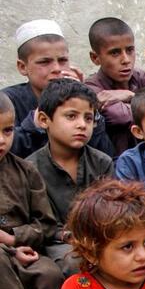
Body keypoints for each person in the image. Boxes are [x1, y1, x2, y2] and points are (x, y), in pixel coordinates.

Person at [0, 92, 64, 289]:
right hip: (5, 255)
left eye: (7, 130)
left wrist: (14, 239)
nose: (1, 140)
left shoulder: (25, 170)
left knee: (48, 272)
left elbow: (46, 226)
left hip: (21, 252)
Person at [27, 79, 114, 274]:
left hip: (99, 237)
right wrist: (67, 235)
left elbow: (112, 208)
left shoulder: (102, 162)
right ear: (43, 120)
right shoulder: (30, 168)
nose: (82, 125)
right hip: (55, 243)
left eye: (88, 118)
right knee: (75, 262)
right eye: (71, 116)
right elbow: (40, 225)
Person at [6, 20, 113, 158]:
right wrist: (33, 123)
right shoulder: (8, 101)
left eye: (62, 60)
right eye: (44, 62)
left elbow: (104, 154)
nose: (56, 69)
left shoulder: (82, 100)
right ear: (22, 67)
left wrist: (82, 100)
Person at [85, 17, 145, 155]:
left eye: (130, 50)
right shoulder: (91, 87)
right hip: (111, 165)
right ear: (95, 58)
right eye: (115, 53)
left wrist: (131, 96)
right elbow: (119, 117)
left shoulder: (140, 77)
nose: (126, 60)